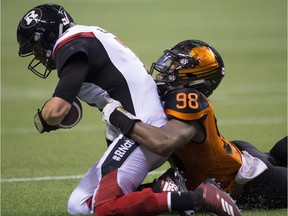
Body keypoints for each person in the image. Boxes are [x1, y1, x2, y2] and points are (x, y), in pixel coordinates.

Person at [17, 4, 241, 216]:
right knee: (78, 204)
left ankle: (197, 198)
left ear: (47, 36)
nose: (37, 55)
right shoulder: (87, 36)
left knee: (104, 208)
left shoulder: (70, 45)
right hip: (137, 129)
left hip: (143, 130)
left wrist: (43, 118)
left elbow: (56, 112)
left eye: (35, 47)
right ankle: (164, 190)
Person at [102, 39, 287, 210]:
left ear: (193, 74)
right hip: (235, 155)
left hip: (245, 182)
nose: (164, 67)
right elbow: (130, 159)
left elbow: (163, 141)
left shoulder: (187, 97)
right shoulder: (162, 98)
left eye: (174, 64)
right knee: (277, 154)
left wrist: (119, 117)